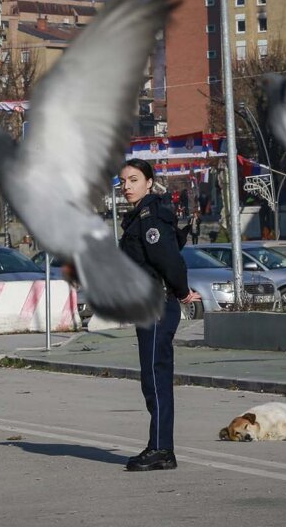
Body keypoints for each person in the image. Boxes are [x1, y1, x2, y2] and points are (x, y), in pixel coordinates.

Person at [118, 158, 201, 472]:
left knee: (156, 377)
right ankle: (159, 447)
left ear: (149, 182)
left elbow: (169, 260)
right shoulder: (139, 217)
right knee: (152, 378)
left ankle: (162, 449)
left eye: (134, 180)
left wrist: (182, 291)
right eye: (123, 181)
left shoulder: (150, 217)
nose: (127, 186)